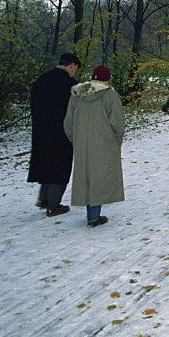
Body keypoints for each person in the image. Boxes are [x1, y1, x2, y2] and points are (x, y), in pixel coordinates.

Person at [64, 64, 125, 228]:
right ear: (108, 79)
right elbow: (118, 123)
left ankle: (92, 214)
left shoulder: (77, 94)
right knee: (99, 177)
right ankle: (93, 216)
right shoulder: (110, 95)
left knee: (86, 177)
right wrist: (116, 141)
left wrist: (75, 139)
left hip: (82, 142)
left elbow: (68, 122)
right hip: (105, 142)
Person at [28, 52, 80, 217]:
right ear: (71, 65)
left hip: (41, 130)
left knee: (45, 163)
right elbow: (75, 111)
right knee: (60, 166)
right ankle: (54, 204)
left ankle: (43, 198)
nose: (74, 72)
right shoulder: (70, 84)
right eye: (75, 69)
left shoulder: (41, 80)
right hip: (61, 132)